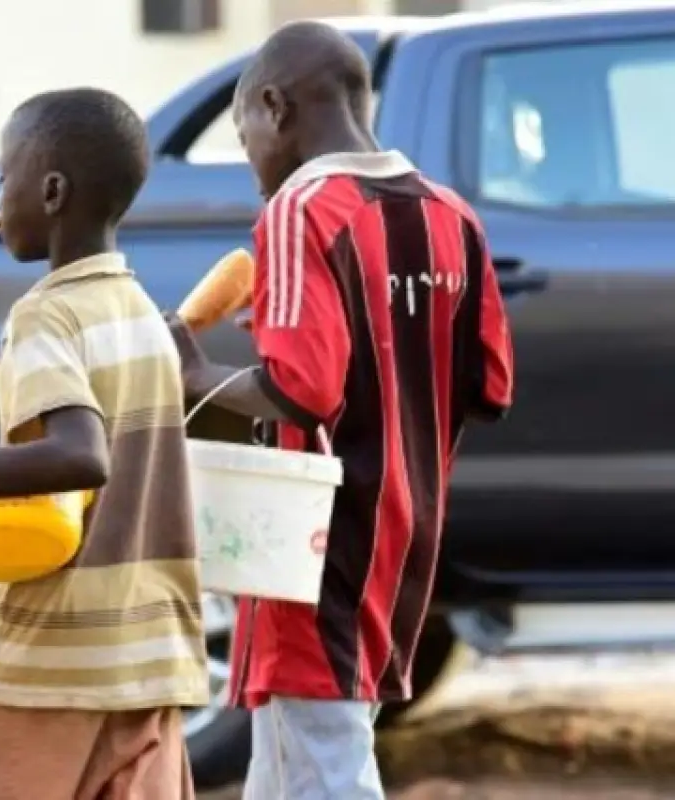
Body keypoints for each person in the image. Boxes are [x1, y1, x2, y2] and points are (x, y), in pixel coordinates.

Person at [166, 21, 514, 800]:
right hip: (403, 534)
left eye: (243, 132)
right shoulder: (451, 215)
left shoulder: (303, 207)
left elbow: (303, 389)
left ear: (274, 107)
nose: (250, 156)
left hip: (312, 547)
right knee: (292, 760)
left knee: (323, 766)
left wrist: (196, 373)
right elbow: (488, 385)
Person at [0, 87, 208, 800]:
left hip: (51, 661)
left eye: (4, 180)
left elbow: (79, 456)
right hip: (149, 655)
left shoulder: (47, 316)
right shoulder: (141, 315)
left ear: (53, 190)